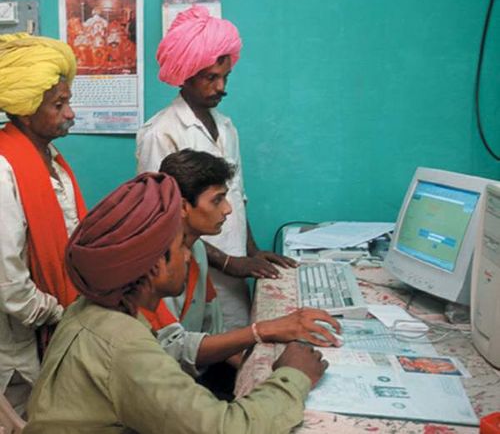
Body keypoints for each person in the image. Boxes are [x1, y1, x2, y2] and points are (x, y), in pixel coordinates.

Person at [24, 172, 329, 434]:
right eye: (181, 245)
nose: (188, 255)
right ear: (154, 266)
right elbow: (227, 429)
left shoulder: (89, 308)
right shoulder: (123, 345)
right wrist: (293, 376)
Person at [136, 5, 297, 330]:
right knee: (194, 347)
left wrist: (252, 252)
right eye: (211, 77)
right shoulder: (161, 132)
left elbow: (235, 196)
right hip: (187, 271)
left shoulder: (226, 127)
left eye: (225, 77)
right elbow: (161, 219)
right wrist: (227, 262)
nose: (221, 87)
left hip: (233, 269)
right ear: (186, 75)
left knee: (235, 343)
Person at [154, 149, 341, 398]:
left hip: (198, 372)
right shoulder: (156, 267)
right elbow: (173, 349)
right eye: (217, 200)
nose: (228, 209)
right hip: (166, 388)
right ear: (183, 207)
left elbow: (213, 334)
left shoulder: (196, 248)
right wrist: (263, 330)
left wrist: (260, 370)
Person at [0, 33, 87, 416]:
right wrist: (59, 313)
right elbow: (8, 283)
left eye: (68, 101)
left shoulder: (52, 161)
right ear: (25, 110)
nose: (70, 113)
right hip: (17, 348)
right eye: (58, 104)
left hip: (53, 329)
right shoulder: (4, 170)